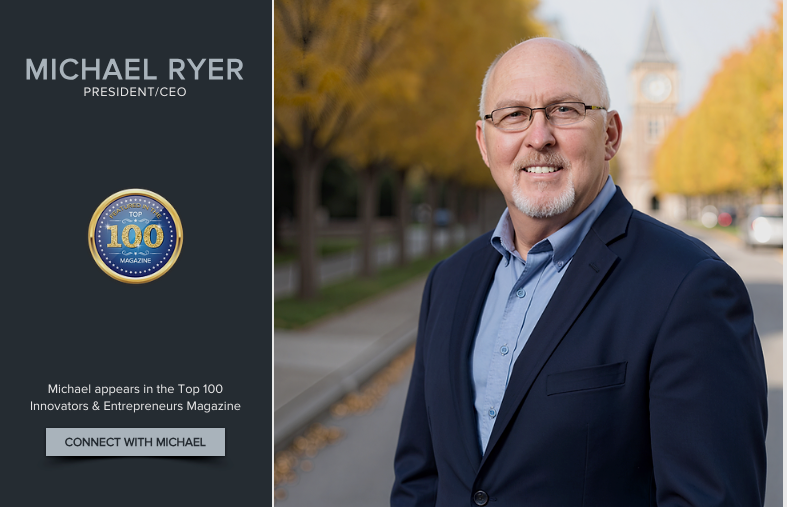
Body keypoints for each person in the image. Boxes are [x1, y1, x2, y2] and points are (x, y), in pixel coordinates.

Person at [391, 38, 767, 507]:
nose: (539, 136)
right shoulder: (449, 282)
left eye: (564, 109)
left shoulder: (690, 287)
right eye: (512, 115)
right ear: (484, 143)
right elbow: (418, 479)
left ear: (610, 135)